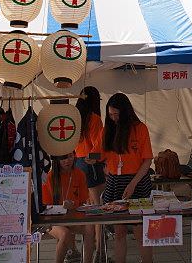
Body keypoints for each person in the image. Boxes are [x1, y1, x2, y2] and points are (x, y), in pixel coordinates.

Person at [100, 93, 153, 263]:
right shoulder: (108, 129)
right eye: (111, 115)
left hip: (137, 181)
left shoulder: (140, 128)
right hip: (115, 182)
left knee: (140, 232)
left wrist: (133, 183)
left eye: (117, 114)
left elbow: (147, 160)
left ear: (126, 112)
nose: (114, 118)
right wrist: (97, 162)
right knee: (119, 232)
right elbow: (101, 156)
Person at [42, 151, 94, 263]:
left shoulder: (79, 174)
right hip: (53, 221)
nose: (67, 161)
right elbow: (45, 207)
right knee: (65, 234)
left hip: (73, 218)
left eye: (70, 157)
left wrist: (74, 205)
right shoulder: (50, 176)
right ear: (57, 160)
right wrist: (62, 207)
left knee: (90, 227)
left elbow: (83, 201)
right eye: (63, 158)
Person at [75, 87, 106, 260]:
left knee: (87, 209)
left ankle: (88, 248)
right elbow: (97, 146)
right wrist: (99, 160)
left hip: (78, 164)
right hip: (91, 165)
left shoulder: (75, 118)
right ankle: (99, 248)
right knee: (98, 209)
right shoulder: (95, 119)